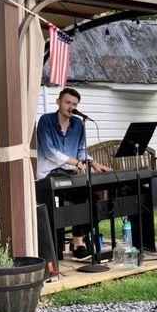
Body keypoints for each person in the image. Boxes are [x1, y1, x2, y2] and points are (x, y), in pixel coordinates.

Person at [37, 87, 112, 261]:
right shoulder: (45, 121)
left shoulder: (78, 123)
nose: (71, 107)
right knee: (77, 200)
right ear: (58, 102)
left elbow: (80, 150)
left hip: (69, 174)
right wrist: (77, 163)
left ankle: (78, 241)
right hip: (49, 175)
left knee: (92, 198)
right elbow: (50, 152)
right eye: (67, 102)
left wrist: (93, 162)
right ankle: (75, 244)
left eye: (75, 104)